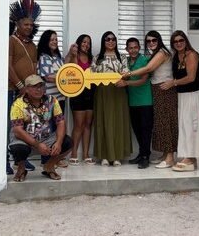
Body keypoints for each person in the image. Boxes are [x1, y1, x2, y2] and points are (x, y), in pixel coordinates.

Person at [123, 31, 177, 169]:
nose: (151, 43)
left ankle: (169, 157)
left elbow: (148, 69)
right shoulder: (153, 54)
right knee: (161, 123)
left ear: (159, 40)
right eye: (149, 41)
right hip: (157, 90)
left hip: (164, 89)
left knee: (165, 123)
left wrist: (128, 75)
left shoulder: (161, 53)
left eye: (154, 40)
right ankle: (164, 155)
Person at [9, 75, 72, 182]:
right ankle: (21, 169)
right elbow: (18, 130)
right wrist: (37, 145)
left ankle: (49, 166)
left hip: (46, 138)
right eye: (34, 87)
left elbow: (60, 122)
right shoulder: (18, 104)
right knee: (17, 148)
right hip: (25, 140)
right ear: (27, 89)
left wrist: (58, 142)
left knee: (68, 142)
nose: (39, 90)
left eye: (41, 86)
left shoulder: (52, 100)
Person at [7, 0, 40, 175]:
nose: (29, 27)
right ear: (18, 24)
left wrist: (33, 89)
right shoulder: (11, 41)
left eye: (31, 24)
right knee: (9, 127)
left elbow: (34, 69)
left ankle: (22, 159)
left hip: (27, 94)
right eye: (26, 24)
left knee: (26, 126)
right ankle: (4, 161)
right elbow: (8, 65)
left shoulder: (32, 45)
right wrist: (20, 85)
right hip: (13, 91)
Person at [164, 30, 199, 172]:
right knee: (184, 125)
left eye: (181, 40)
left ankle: (191, 157)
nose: (178, 43)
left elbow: (191, 78)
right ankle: (189, 157)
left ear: (186, 41)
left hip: (194, 93)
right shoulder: (176, 56)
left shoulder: (191, 55)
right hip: (182, 94)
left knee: (193, 124)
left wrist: (173, 83)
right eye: (175, 41)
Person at [92, 31, 131, 166]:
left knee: (118, 122)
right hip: (102, 92)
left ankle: (117, 156)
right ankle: (104, 155)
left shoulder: (122, 57)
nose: (110, 41)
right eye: (107, 39)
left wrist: (124, 75)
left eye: (113, 39)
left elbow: (126, 73)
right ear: (103, 41)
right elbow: (92, 73)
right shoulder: (97, 58)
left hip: (118, 91)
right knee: (102, 122)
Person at [36, 29, 68, 168]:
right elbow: (48, 77)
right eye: (51, 39)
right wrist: (65, 79)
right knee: (48, 129)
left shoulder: (58, 57)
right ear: (46, 41)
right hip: (49, 99)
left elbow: (65, 71)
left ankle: (56, 158)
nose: (54, 42)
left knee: (58, 129)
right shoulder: (44, 57)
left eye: (56, 39)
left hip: (60, 98)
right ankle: (46, 159)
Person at [120, 37, 153, 169]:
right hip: (132, 102)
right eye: (130, 48)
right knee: (137, 130)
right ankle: (141, 153)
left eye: (135, 47)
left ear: (139, 48)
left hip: (145, 100)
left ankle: (146, 157)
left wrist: (126, 83)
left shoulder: (144, 60)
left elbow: (143, 80)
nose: (133, 50)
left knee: (145, 130)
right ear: (127, 49)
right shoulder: (126, 61)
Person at [66, 34, 95, 165]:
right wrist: (72, 54)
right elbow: (68, 69)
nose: (86, 45)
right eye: (84, 42)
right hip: (77, 94)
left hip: (90, 93)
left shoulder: (92, 58)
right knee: (79, 125)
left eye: (88, 43)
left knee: (88, 124)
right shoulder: (74, 56)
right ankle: (73, 154)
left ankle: (86, 155)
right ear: (79, 43)